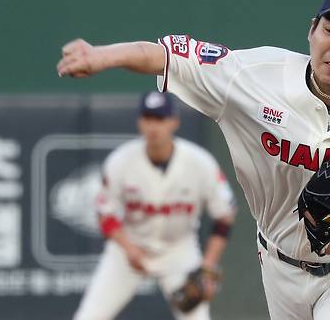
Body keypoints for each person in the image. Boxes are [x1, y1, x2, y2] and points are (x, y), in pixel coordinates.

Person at [58, 0, 330, 320]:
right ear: (311, 30)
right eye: (329, 30)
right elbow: (169, 55)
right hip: (278, 259)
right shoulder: (254, 76)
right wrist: (104, 56)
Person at [73, 91, 236, 320]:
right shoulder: (121, 161)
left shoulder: (200, 163)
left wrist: (207, 266)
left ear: (174, 121)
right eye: (148, 118)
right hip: (128, 249)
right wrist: (129, 249)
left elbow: (225, 215)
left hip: (178, 251)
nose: (153, 127)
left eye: (160, 118)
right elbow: (105, 214)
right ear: (140, 121)